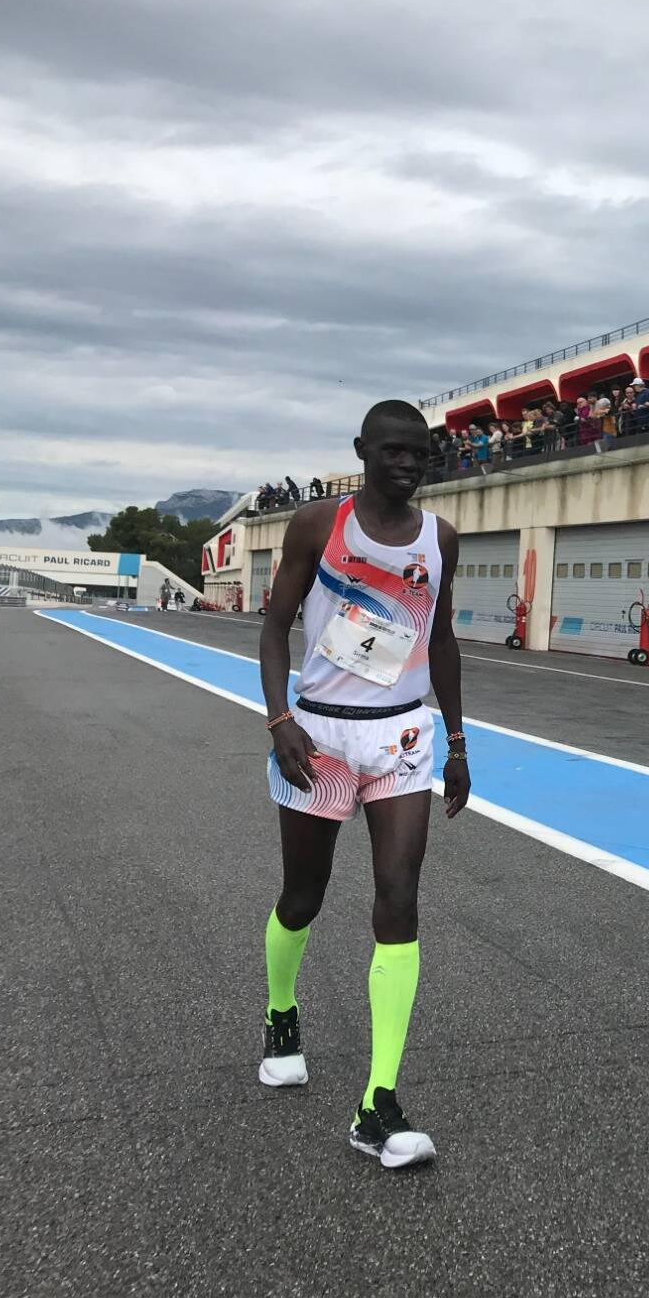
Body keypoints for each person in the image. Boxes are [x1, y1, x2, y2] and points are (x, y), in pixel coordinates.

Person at [257, 399, 470, 1168]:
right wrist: (280, 720)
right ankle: (282, 1014)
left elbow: (440, 642)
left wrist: (457, 741)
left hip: (402, 736)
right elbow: (275, 623)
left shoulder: (440, 539)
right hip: (319, 734)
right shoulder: (318, 525)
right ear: (363, 452)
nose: (410, 464)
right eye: (395, 451)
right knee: (302, 896)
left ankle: (377, 1104)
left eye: (422, 453)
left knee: (399, 894)